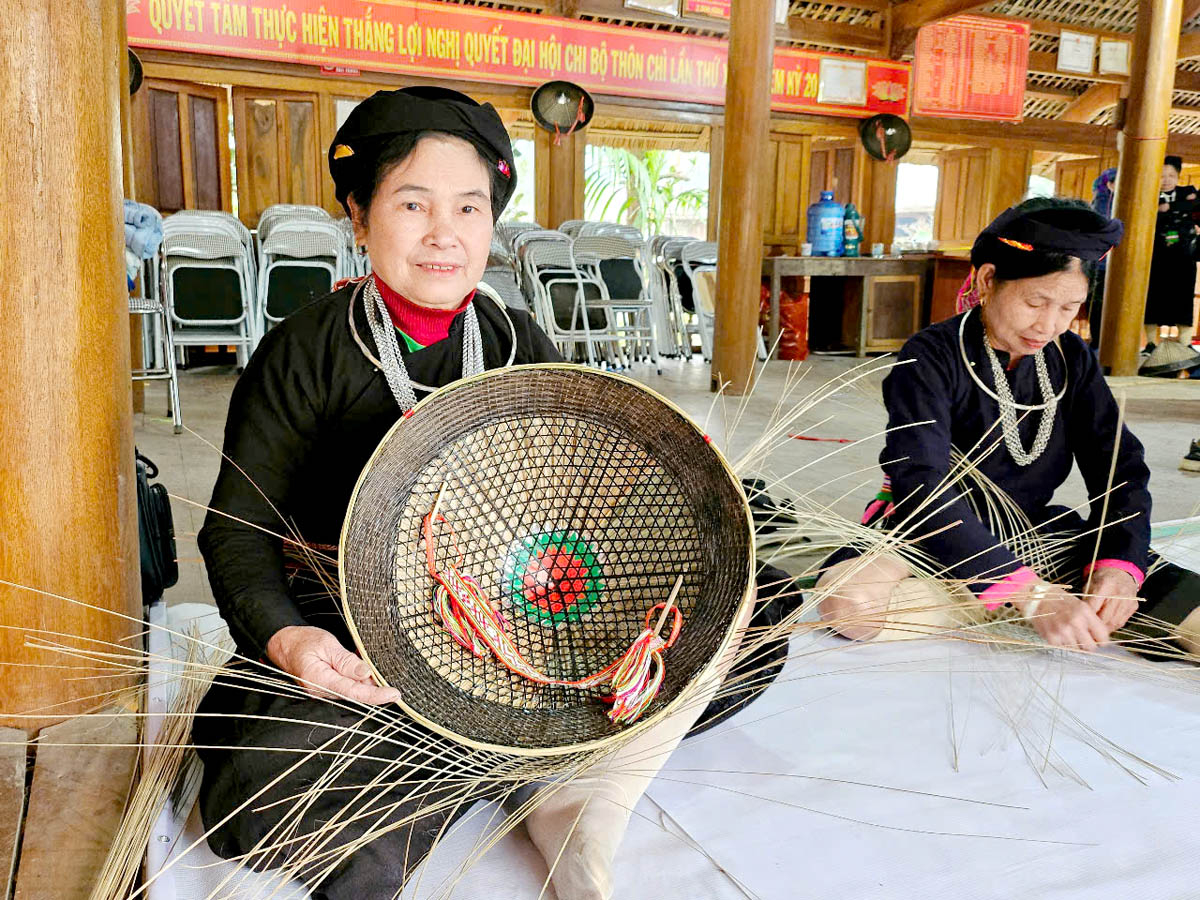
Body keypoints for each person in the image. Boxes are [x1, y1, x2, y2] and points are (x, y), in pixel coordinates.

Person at [194, 86, 790, 900]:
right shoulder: (305, 353)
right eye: (413, 204)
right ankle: (517, 767)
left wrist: (676, 473)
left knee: (751, 629)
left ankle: (471, 764)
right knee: (254, 794)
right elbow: (235, 531)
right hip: (364, 639)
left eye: (470, 208)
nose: (445, 234)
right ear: (360, 218)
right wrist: (291, 642)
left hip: (527, 625)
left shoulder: (520, 339)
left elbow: (590, 490)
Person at [817, 197, 1200, 656]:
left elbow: (1119, 467)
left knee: (1187, 615)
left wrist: (1118, 564)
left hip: (1032, 535)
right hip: (924, 533)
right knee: (850, 603)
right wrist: (1030, 593)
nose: (1049, 324)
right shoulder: (931, 356)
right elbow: (920, 485)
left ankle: (997, 600)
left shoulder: (1071, 357)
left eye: (1069, 308)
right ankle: (1010, 597)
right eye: (1035, 302)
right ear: (987, 279)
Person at [1145, 156, 1199, 351]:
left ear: (1178, 176)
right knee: (1152, 296)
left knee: (1183, 297)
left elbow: (1196, 206)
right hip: (1156, 255)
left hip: (1183, 256)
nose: (1166, 180)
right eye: (1161, 176)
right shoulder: (1147, 195)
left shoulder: (1189, 191)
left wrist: (1170, 207)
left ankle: (1185, 344)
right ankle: (1151, 343)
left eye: (1171, 175)